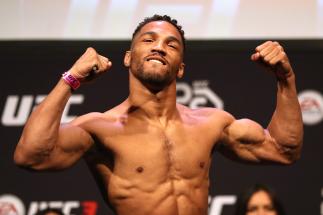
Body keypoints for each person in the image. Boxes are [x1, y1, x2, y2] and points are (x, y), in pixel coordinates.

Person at [14, 14, 303, 215]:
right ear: (128, 57)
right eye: (148, 40)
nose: (159, 47)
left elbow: (283, 149)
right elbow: (31, 155)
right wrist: (71, 79)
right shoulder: (100, 129)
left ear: (180, 68)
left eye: (171, 44)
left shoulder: (212, 123)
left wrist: (285, 78)